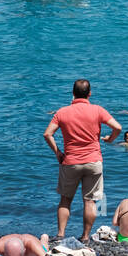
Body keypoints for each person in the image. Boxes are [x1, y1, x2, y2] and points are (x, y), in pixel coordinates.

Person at [44, 79, 121, 242]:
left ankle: (60, 234)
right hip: (93, 161)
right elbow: (118, 127)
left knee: (65, 199)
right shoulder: (98, 110)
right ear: (90, 93)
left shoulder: (62, 112)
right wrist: (110, 139)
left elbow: (47, 134)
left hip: (70, 161)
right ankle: (85, 236)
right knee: (90, 201)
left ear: (73, 93)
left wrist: (58, 152)